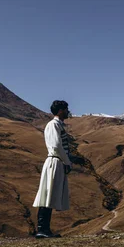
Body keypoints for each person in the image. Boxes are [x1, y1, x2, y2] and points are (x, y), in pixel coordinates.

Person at [32, 100, 73, 238]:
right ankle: (42, 229)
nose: (68, 111)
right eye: (66, 109)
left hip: (57, 162)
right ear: (61, 110)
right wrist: (67, 162)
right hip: (55, 161)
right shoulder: (54, 125)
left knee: (50, 194)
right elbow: (56, 146)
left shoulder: (57, 125)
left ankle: (45, 229)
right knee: (47, 194)